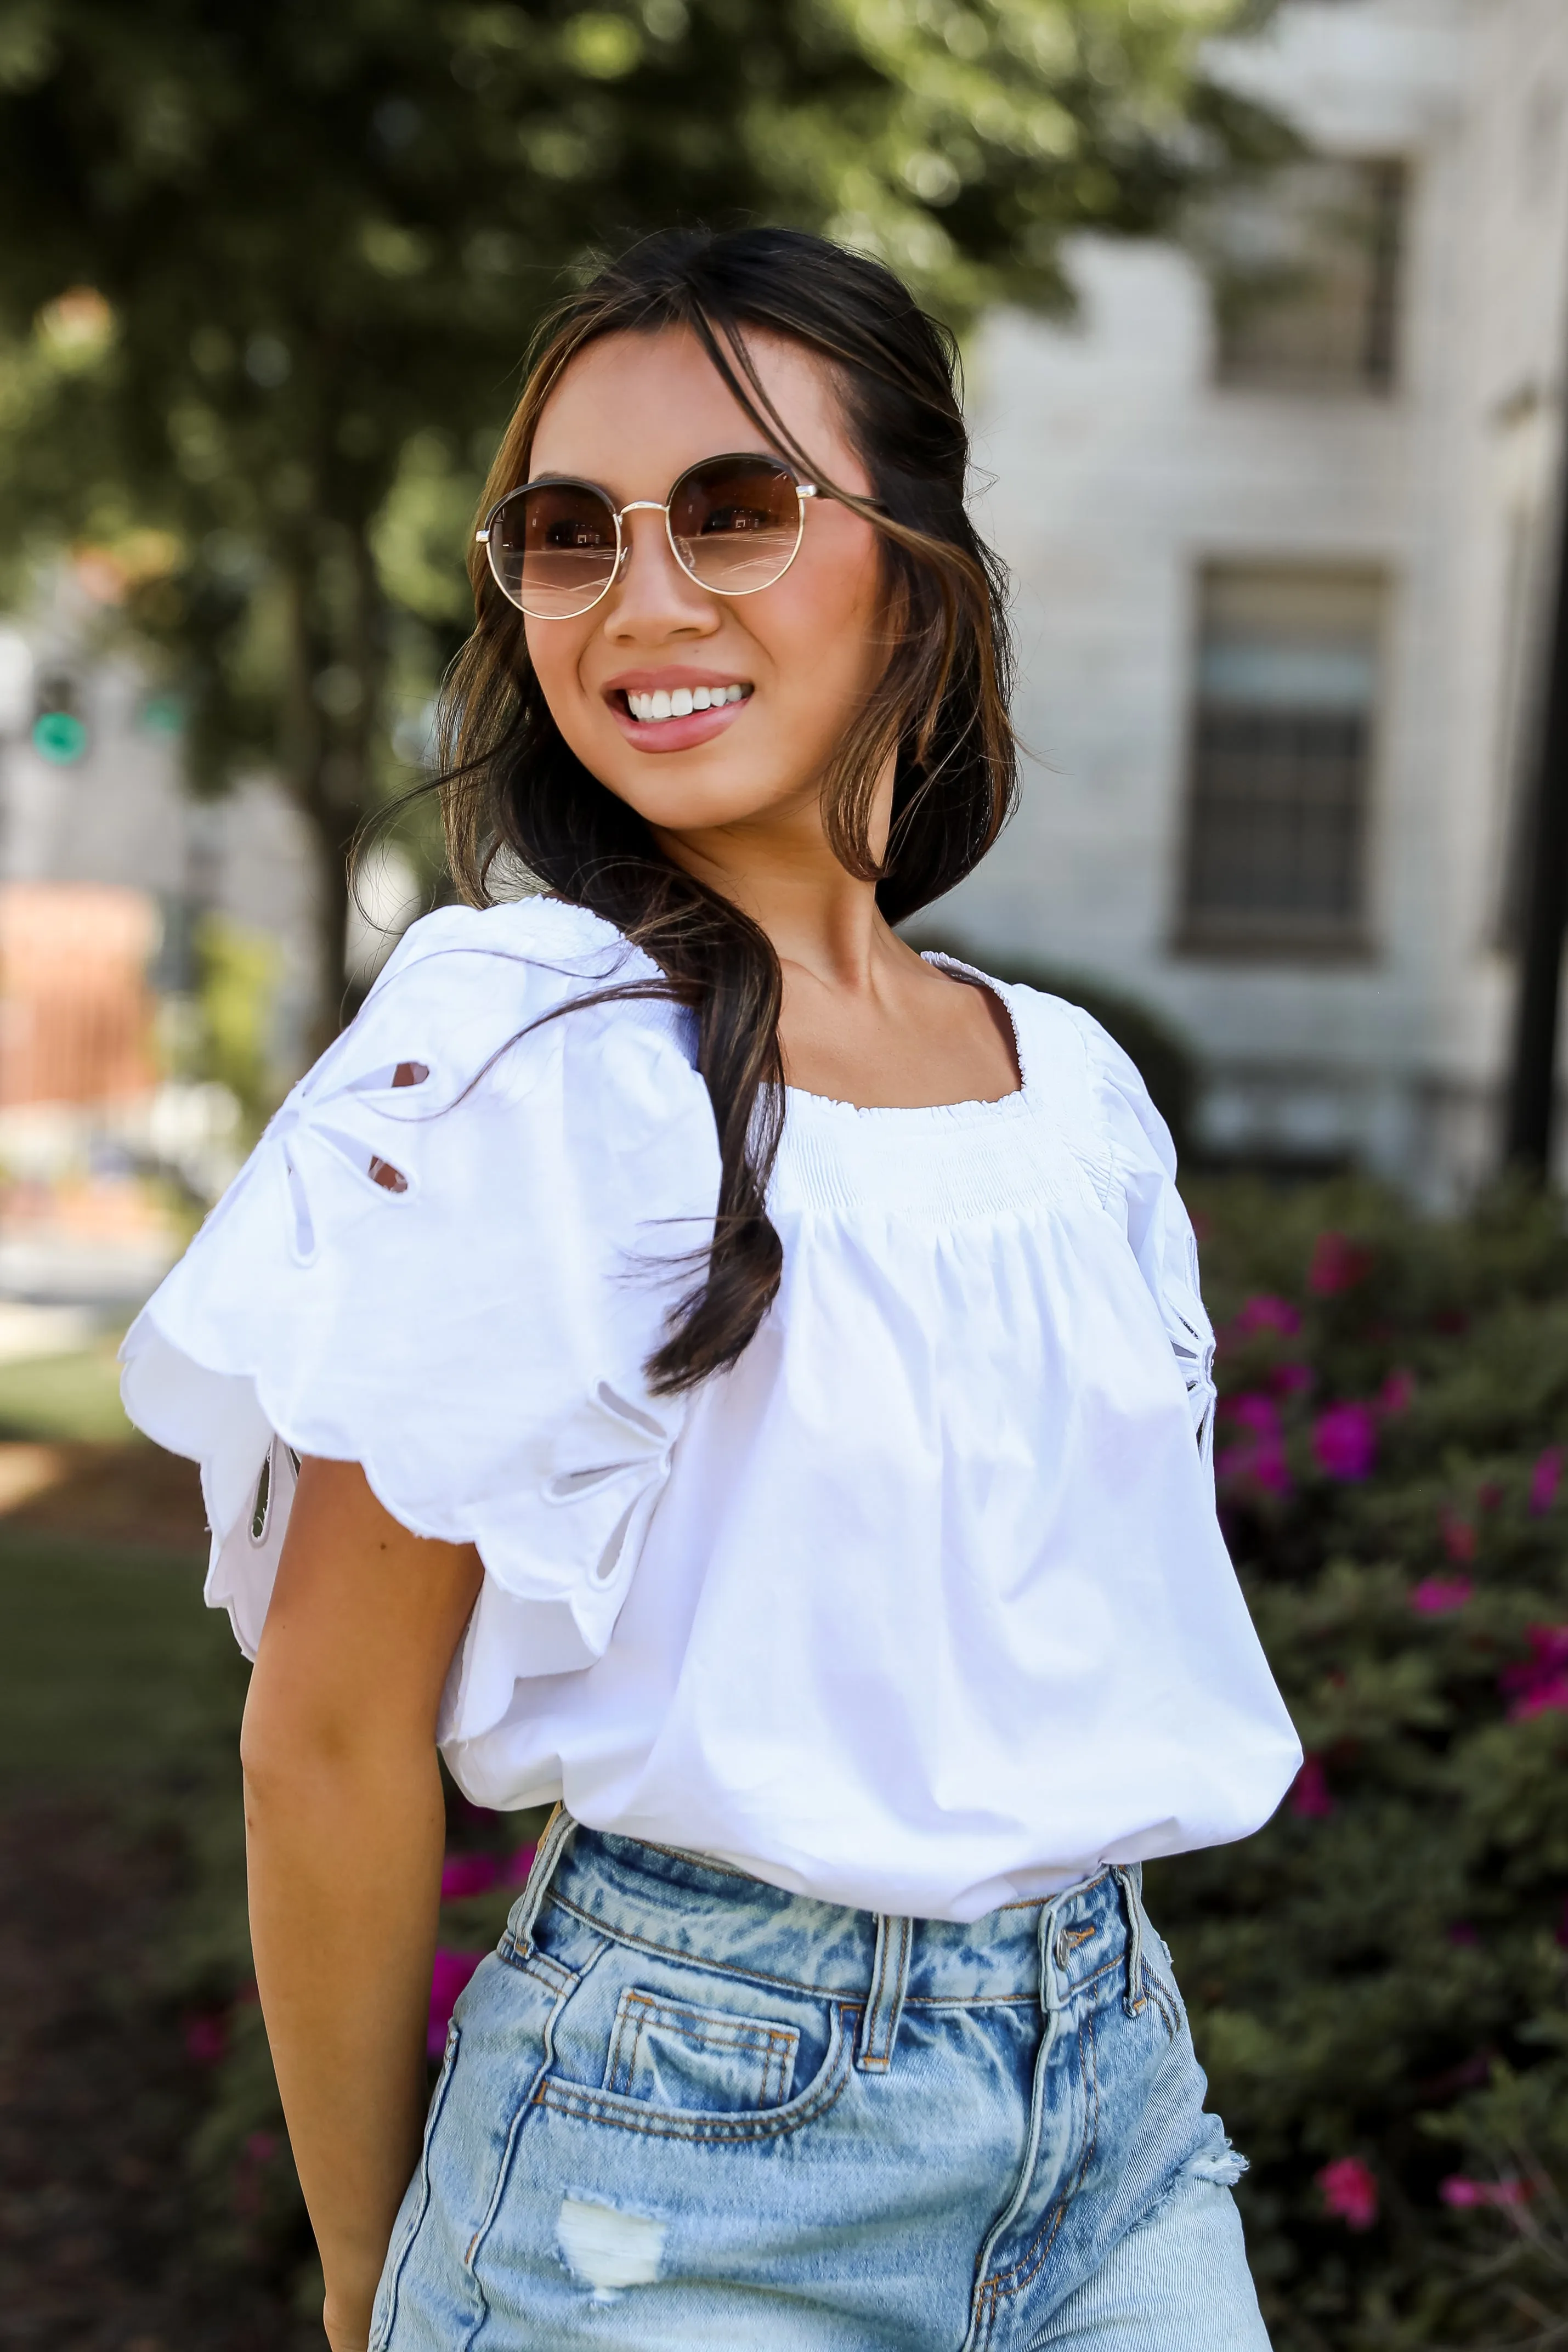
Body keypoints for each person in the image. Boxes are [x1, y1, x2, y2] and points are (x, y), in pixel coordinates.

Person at [121, 226, 1301, 2352]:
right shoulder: (518, 1050)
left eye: (734, 511)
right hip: (671, 2162)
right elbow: (325, 1733)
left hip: (1114, 2102)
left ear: (915, 562)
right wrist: (374, 2277)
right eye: (568, 535)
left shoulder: (1084, 1094)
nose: (644, 597)